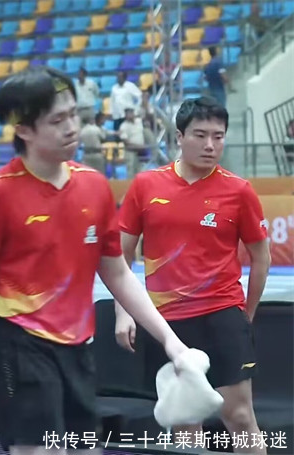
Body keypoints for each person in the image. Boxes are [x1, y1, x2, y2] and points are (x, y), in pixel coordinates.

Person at [0, 67, 190, 455]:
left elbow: (117, 272)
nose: (72, 128)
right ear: (24, 130)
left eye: (74, 115)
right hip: (18, 349)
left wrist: (171, 342)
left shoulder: (94, 187)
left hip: (77, 351)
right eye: (57, 120)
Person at [115, 96, 271, 454]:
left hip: (222, 313)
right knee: (185, 420)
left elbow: (260, 257)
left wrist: (245, 314)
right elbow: (120, 255)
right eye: (200, 135)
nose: (210, 145)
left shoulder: (239, 191)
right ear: (179, 137)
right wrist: (124, 313)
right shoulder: (146, 185)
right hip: (165, 322)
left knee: (239, 416)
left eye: (218, 136)